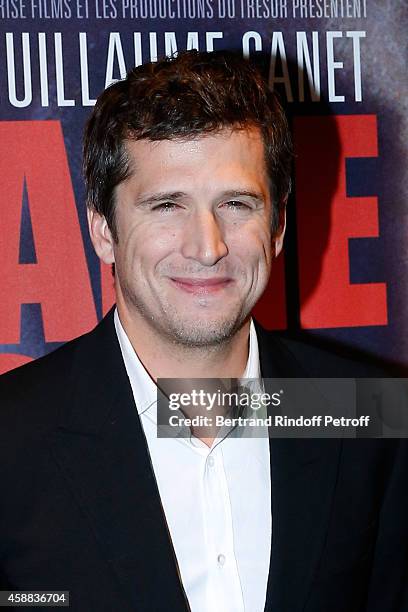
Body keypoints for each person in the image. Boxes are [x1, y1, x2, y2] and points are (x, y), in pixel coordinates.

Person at [0, 50, 407, 612]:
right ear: (102, 230)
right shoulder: (11, 439)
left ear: (279, 225)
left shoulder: (373, 418)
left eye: (236, 204)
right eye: (167, 205)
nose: (207, 245)